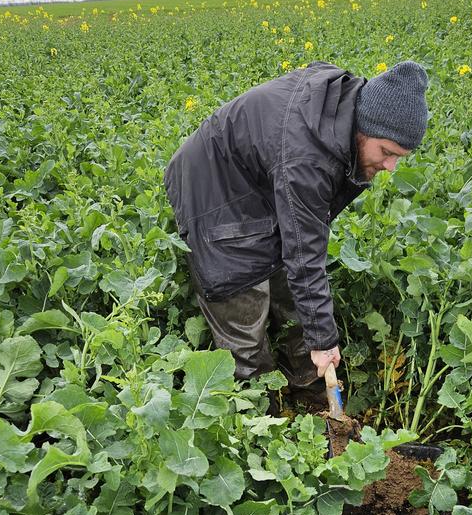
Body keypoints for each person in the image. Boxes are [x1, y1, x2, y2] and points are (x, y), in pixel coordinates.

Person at [164, 60, 428, 391]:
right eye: (387, 152)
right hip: (211, 192)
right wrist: (323, 338)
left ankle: (308, 385)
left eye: (399, 157)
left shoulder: (342, 108)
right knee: (243, 311)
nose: (390, 166)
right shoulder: (308, 158)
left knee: (292, 293)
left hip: (259, 184)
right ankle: (258, 413)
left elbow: (301, 245)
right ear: (364, 127)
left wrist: (321, 338)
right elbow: (304, 251)